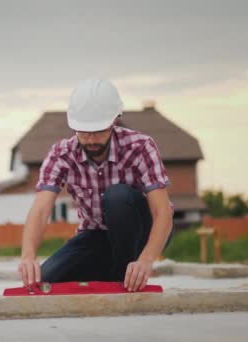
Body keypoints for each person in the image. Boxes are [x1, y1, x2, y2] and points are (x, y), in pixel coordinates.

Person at [18, 79, 174, 292]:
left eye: (99, 131)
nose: (91, 140)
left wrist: (146, 260)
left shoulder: (140, 147)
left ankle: (123, 274)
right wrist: (28, 256)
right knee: (46, 280)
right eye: (83, 131)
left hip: (141, 232)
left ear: (115, 121)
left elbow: (162, 212)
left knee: (117, 196)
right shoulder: (61, 154)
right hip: (98, 236)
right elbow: (41, 209)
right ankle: (111, 271)